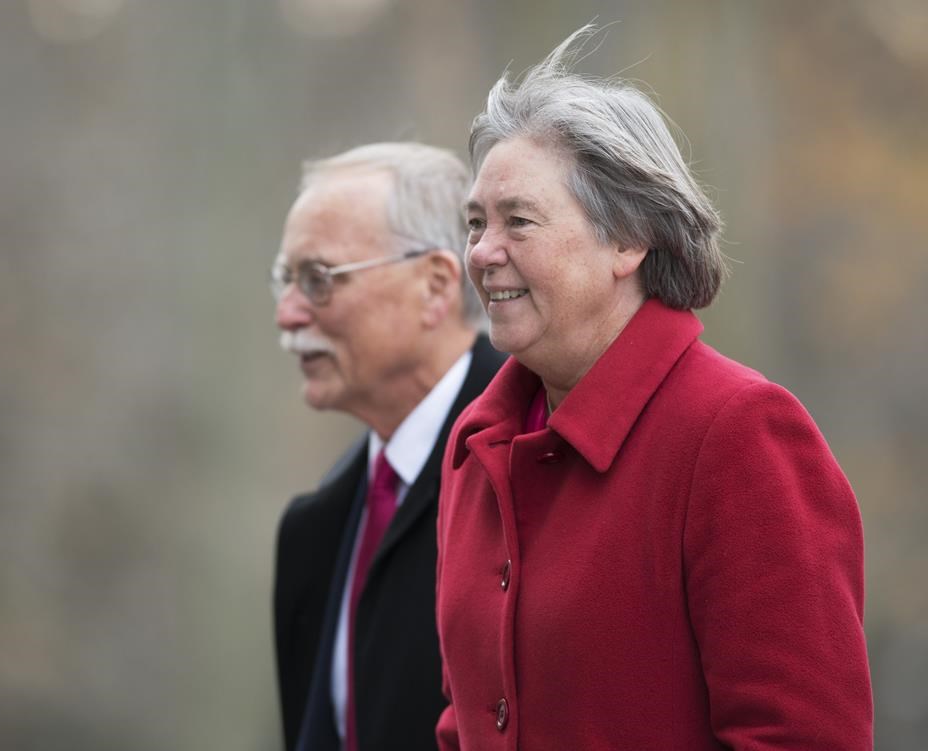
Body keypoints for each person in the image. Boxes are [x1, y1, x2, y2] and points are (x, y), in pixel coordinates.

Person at [435, 25, 873, 750]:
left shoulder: (738, 434)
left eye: (519, 221)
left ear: (627, 240)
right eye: (476, 223)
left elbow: (803, 736)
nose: (482, 252)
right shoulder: (476, 446)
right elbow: (465, 722)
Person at [272, 142, 505, 751]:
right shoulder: (315, 527)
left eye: (318, 280)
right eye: (285, 281)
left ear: (435, 286)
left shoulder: (535, 464)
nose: (288, 314)